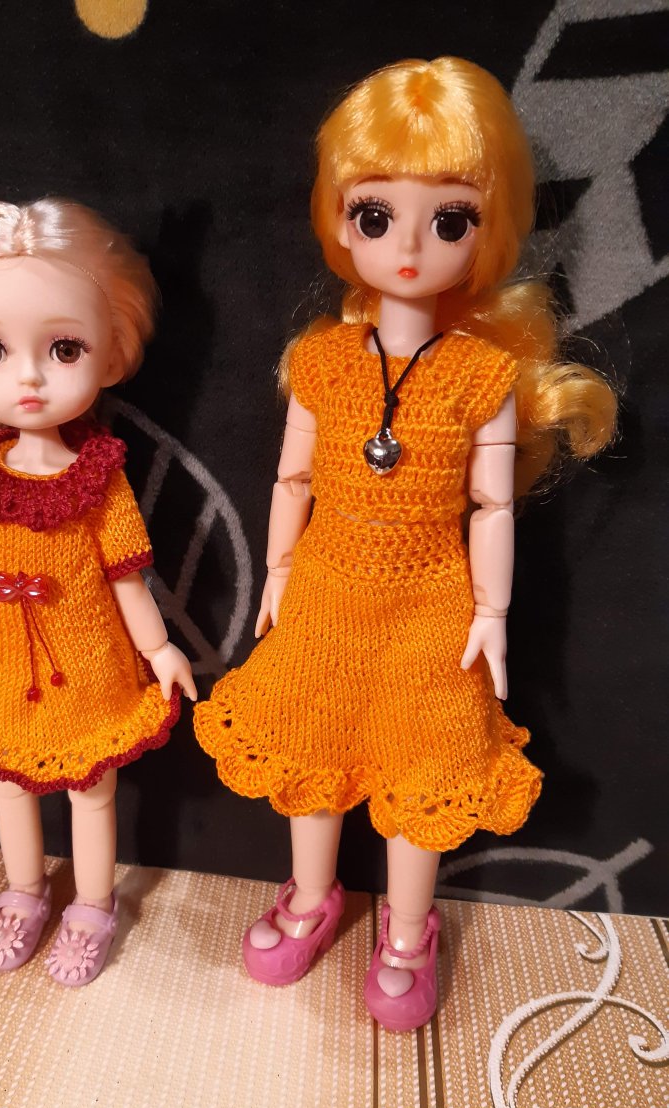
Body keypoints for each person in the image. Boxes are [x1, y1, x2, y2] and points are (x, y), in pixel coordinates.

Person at [193, 57, 616, 1030]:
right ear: (341, 223)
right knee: (310, 746)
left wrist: (493, 611)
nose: (412, 246)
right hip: (324, 590)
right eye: (378, 214)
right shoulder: (320, 361)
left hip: (431, 602)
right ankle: (312, 896)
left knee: (424, 766)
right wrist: (278, 569)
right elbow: (290, 479)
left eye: (450, 219)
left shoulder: (480, 376)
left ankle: (408, 929)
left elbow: (492, 508)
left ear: (488, 229)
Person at [0, 198, 196, 986]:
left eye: (64, 348)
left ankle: (94, 904)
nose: (29, 376)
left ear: (112, 354)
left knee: (92, 792)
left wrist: (159, 648)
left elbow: (126, 574)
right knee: (8, 785)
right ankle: (25, 890)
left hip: (89, 668)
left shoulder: (100, 480)